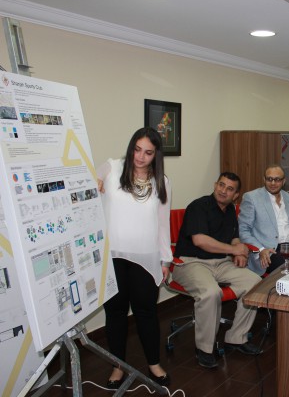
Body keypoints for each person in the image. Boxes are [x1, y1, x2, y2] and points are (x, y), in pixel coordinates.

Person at [97, 127, 171, 388]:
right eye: (137, 150)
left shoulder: (162, 181)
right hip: (113, 256)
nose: (140, 157)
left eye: (148, 153)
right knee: (115, 313)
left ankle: (154, 363)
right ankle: (118, 366)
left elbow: (163, 224)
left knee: (146, 312)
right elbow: (86, 188)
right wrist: (94, 184)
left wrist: (166, 260)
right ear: (131, 148)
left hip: (145, 258)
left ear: (156, 155)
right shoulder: (112, 167)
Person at [172, 172, 262, 369]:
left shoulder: (230, 210)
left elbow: (234, 237)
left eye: (230, 189)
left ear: (236, 195)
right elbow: (200, 241)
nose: (223, 191)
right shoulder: (198, 206)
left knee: (255, 283)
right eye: (221, 185)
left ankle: (236, 338)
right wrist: (234, 250)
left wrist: (239, 251)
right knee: (211, 292)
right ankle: (204, 349)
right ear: (215, 185)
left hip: (220, 262)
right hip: (190, 262)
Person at [238, 164, 289, 275]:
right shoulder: (252, 198)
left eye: (277, 179)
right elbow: (243, 231)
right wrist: (260, 249)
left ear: (284, 181)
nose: (273, 183)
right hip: (269, 251)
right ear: (264, 179)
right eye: (269, 179)